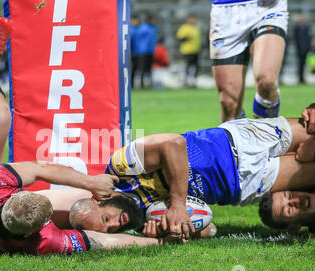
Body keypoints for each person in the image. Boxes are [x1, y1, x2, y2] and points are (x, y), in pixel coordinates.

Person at [0, 17, 169, 255]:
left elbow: (41, 169)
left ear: (10, 196)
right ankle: (146, 211)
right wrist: (159, 242)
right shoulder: (45, 241)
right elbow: (101, 241)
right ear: (36, 230)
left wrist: (93, 182)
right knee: (83, 204)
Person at [69, 106, 315, 239]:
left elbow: (173, 145)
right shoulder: (145, 222)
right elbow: (210, 228)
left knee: (312, 125)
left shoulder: (120, 170)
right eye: (112, 230)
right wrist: (172, 232)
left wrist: (176, 204)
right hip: (245, 183)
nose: (116, 224)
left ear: (99, 201)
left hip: (240, 140)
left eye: (106, 219)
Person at [210, 0, 288, 121]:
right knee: (229, 104)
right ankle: (241, 136)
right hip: (225, 10)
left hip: (267, 7)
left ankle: (265, 134)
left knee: (266, 79)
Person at [133, 14, 158, 89]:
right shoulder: (143, 28)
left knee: (148, 68)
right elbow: (137, 39)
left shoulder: (153, 28)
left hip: (150, 51)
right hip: (142, 51)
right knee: (141, 68)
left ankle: (147, 83)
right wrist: (137, 49)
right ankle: (139, 83)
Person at [176, 15, 201, 87]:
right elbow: (179, 38)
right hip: (187, 51)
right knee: (188, 66)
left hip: (196, 50)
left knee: (196, 66)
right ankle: (186, 81)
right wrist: (186, 38)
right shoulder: (184, 28)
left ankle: (194, 80)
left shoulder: (195, 28)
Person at [293, 14, 311, 84]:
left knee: (304, 64)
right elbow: (296, 39)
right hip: (299, 49)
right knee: (300, 64)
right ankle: (300, 78)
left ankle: (303, 78)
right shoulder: (296, 28)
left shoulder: (307, 27)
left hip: (306, 49)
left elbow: (308, 38)